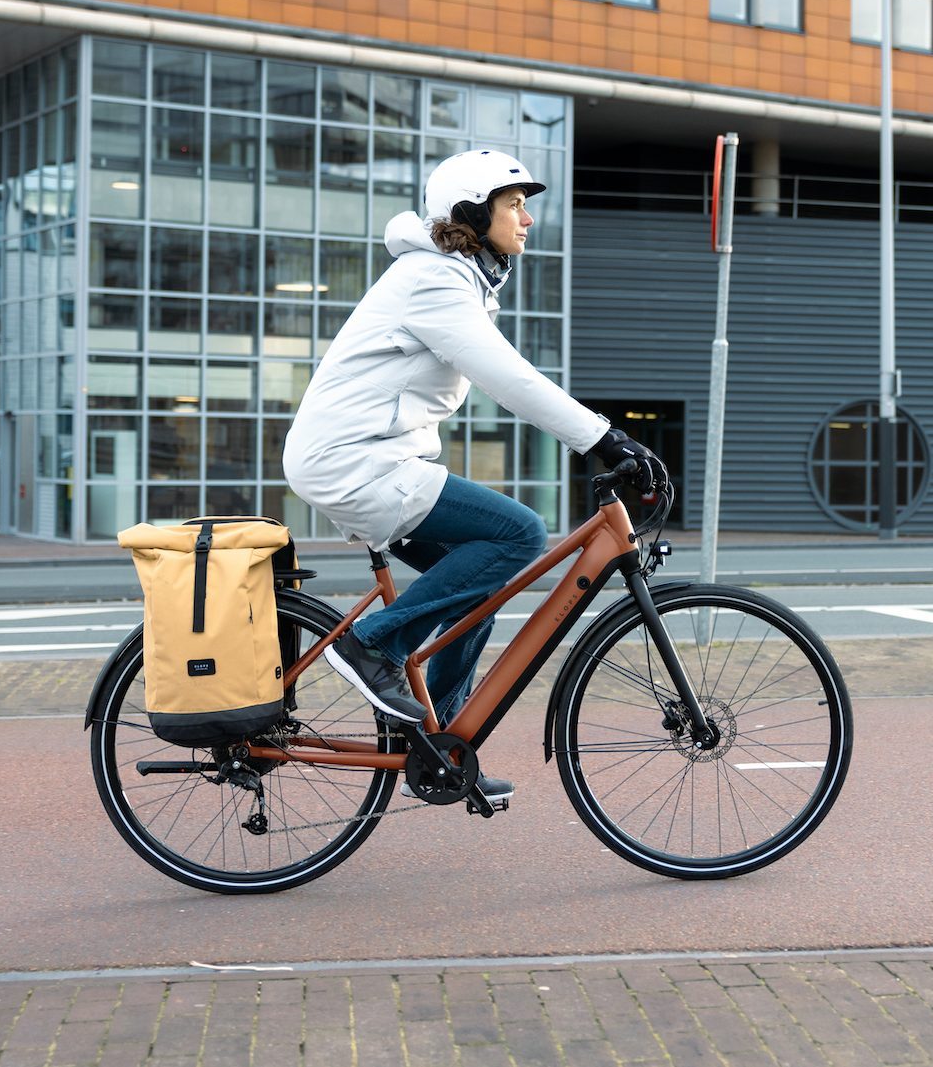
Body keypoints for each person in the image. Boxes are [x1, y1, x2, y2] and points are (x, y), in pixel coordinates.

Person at [283, 149, 665, 802]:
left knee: (484, 577)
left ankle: (444, 735)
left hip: (373, 460)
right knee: (519, 533)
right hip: (353, 462)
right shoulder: (433, 280)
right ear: (471, 211)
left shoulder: (455, 280)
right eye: (514, 203)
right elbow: (508, 376)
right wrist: (605, 438)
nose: (529, 218)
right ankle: (371, 645)